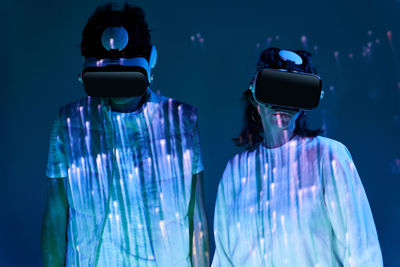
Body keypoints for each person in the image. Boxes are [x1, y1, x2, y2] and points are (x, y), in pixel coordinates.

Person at [41, 3, 209, 267]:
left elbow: (196, 215)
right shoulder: (70, 122)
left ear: (150, 62)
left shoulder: (182, 121)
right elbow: (55, 216)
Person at [212, 47, 383, 266]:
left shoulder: (329, 157)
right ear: (255, 95)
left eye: (291, 93)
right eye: (274, 89)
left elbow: (362, 250)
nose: (281, 104)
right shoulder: (235, 171)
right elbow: (224, 258)